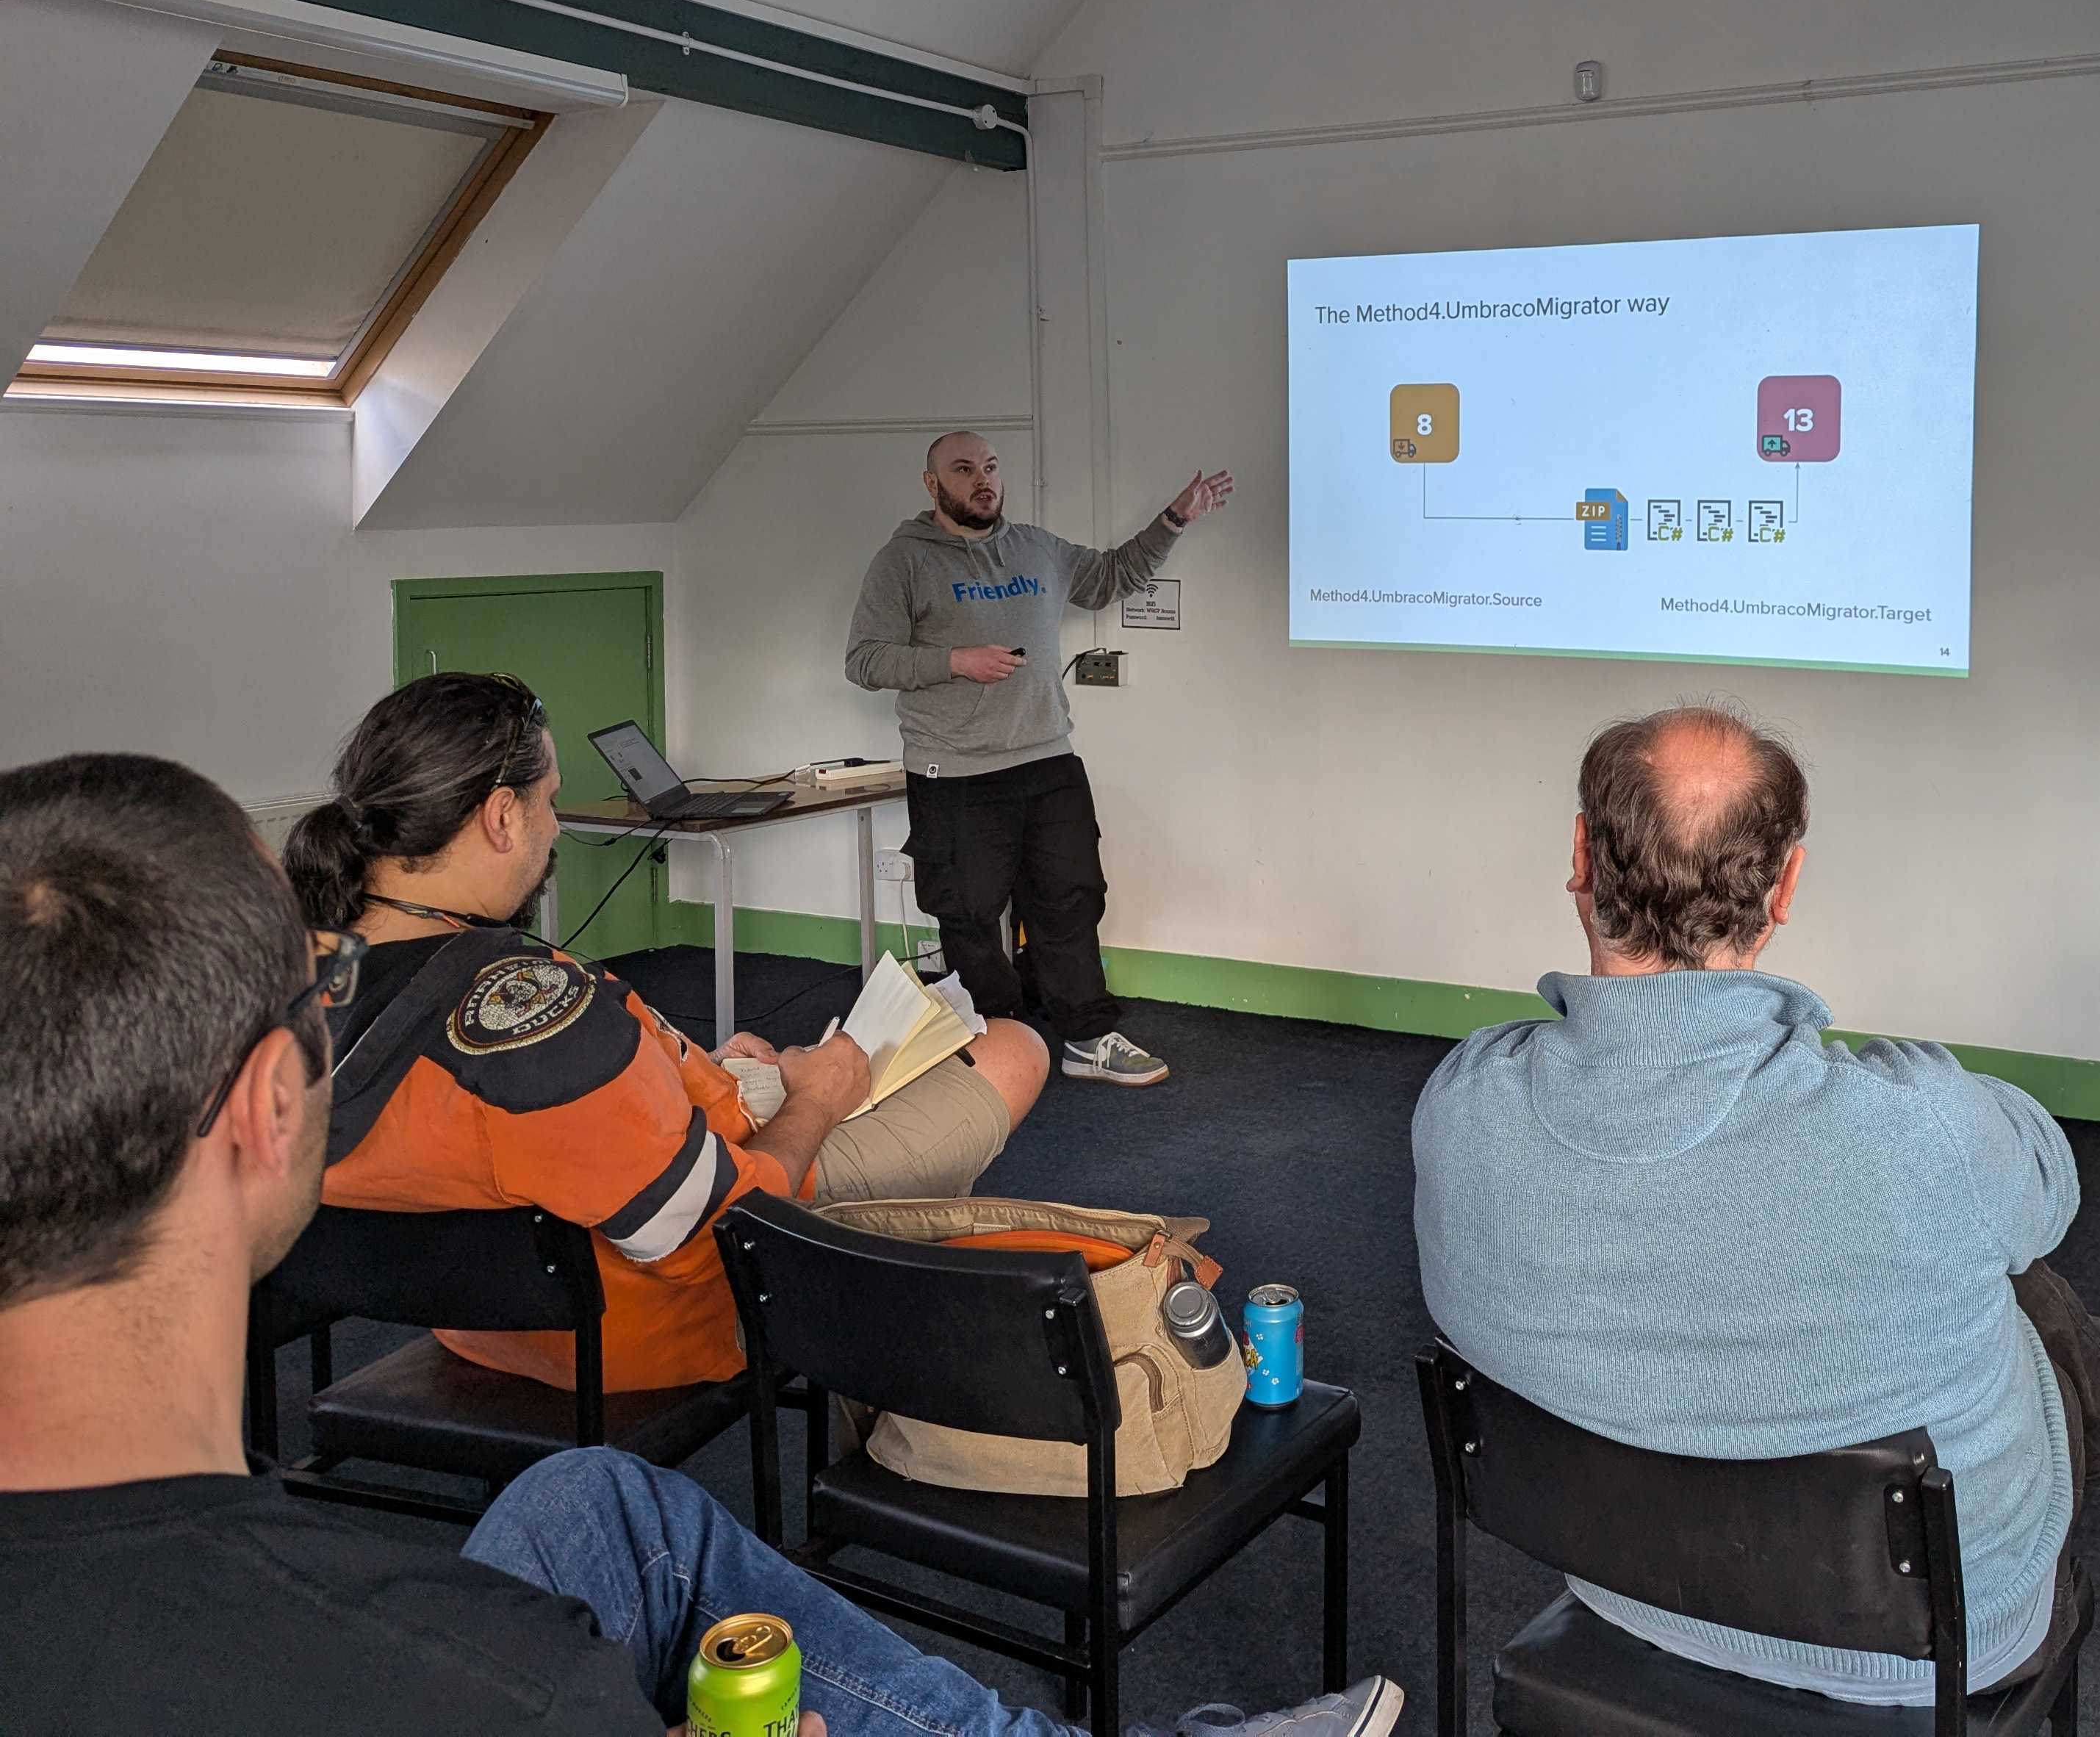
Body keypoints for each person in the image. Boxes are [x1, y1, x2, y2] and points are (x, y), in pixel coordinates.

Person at [0, 749, 1403, 1737]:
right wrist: (807, 1097)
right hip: (706, 1277)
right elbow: (701, 1215)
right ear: (267, 1107)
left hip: (558, 1336)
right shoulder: (491, 1684)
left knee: (597, 1502)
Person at [1412, 704, 2100, 1708]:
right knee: (1997, 1264)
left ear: (1581, 859)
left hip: (1631, 1591)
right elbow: (2048, 1190)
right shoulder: (1912, 1129)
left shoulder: (1458, 1107)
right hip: (1942, 1647)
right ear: (1785, 888)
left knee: (1949, 1239)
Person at [286, 672, 1051, 1392]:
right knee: (1013, 1051)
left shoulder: (282, 992)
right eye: (549, 802)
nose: (553, 828)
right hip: (645, 1331)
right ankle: (890, 1321)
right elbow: (704, 1225)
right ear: (501, 817)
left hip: (480, 1329)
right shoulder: (542, 1017)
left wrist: (696, 1069)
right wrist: (815, 1098)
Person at [846, 430, 1230, 1090]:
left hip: (1048, 761)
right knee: (969, 917)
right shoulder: (903, 561)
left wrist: (1174, 519)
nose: (983, 480)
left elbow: (1111, 577)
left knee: (1070, 901)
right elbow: (865, 660)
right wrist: (953, 662)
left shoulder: (1035, 547)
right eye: (964, 470)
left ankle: (1087, 1036)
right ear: (932, 484)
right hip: (955, 772)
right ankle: (1000, 1041)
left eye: (991, 467)